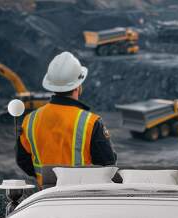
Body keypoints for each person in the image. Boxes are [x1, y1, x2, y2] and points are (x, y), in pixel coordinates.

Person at [16, 51, 117, 185]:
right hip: (80, 198)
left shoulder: (30, 120)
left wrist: (46, 178)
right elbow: (108, 165)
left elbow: (22, 160)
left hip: (45, 197)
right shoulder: (90, 122)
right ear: (78, 86)